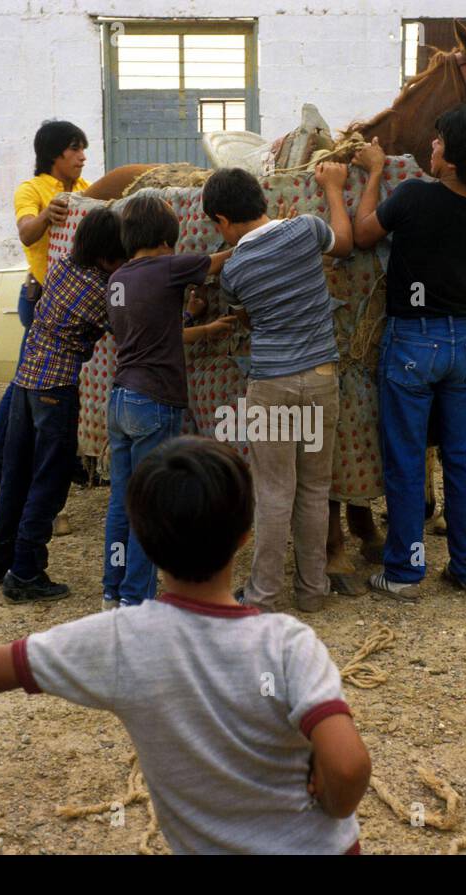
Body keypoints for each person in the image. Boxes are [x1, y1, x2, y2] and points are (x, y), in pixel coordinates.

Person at [0, 437, 371, 854]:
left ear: (143, 542)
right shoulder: (289, 644)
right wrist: (330, 802)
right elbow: (347, 767)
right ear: (245, 536)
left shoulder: (122, 642)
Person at [350, 104, 466, 602]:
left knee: (405, 460)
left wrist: (375, 170)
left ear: (453, 163)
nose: (431, 147)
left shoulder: (415, 196)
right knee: (461, 459)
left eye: (439, 144)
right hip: (461, 345)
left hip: (412, 344)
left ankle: (404, 572)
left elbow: (361, 234)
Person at [201, 164, 353, 613]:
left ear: (222, 222)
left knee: (273, 492)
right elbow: (343, 243)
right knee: (314, 489)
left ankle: (264, 596)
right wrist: (332, 188)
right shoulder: (306, 229)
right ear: (262, 203)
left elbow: (247, 317)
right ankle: (312, 591)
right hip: (323, 377)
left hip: (271, 384)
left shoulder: (235, 270)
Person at [0, 209, 126, 603]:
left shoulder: (60, 268)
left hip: (25, 382)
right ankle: (25, 573)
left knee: (17, 475)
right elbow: (132, 330)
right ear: (108, 253)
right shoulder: (102, 290)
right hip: (56, 389)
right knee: (49, 480)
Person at [103, 196, 235, 608]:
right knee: (150, 507)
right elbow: (219, 260)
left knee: (123, 501)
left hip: (120, 398)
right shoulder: (167, 267)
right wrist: (263, 232)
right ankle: (135, 601)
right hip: (154, 401)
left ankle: (113, 589)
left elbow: (155, 335)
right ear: (165, 239)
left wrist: (197, 321)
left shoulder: (119, 281)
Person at [0, 120, 92, 494]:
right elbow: (27, 231)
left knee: (51, 384)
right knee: (28, 388)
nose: (82, 156)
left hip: (73, 304)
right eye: (74, 149)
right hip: (42, 300)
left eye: (82, 148)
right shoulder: (32, 190)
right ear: (54, 153)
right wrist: (47, 214)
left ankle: (60, 461)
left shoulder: (88, 190)